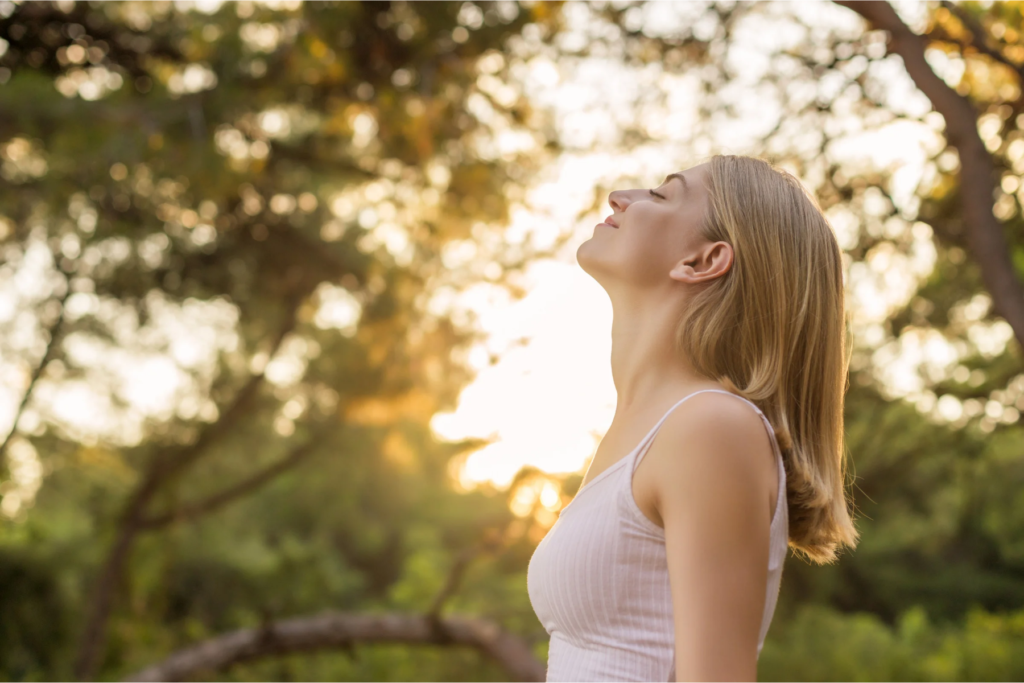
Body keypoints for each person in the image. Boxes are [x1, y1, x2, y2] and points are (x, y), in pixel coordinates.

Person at [526, 154, 861, 682]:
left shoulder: (710, 428)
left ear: (704, 261)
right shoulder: (648, 428)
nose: (620, 196)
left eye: (660, 196)